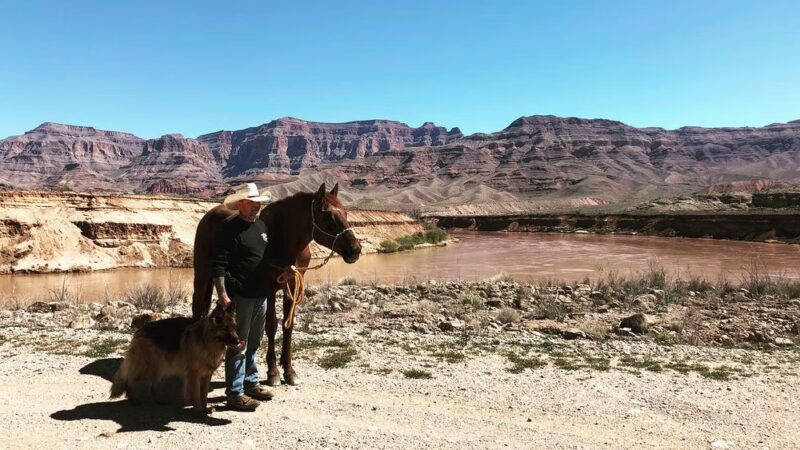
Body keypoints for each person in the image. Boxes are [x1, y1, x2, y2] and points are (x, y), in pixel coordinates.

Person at [211, 183, 274, 411]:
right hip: (241, 297)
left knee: (255, 342)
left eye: (258, 203)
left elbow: (265, 258)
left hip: (261, 295)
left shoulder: (261, 226)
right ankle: (235, 393)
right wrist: (223, 294)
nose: (256, 207)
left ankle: (250, 382)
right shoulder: (229, 229)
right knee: (239, 344)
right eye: (251, 203)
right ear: (240, 204)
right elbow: (218, 264)